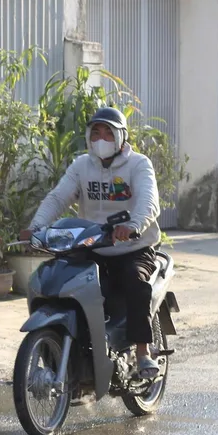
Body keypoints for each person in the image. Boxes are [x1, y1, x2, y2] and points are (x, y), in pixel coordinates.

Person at [24, 107, 163, 378]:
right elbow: (58, 198)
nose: (101, 139)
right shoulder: (82, 166)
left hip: (132, 247)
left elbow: (149, 202)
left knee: (135, 281)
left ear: (121, 137)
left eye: (108, 133)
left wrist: (133, 226)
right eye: (95, 132)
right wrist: (35, 228)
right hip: (91, 245)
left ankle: (143, 351)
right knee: (62, 280)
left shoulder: (139, 164)